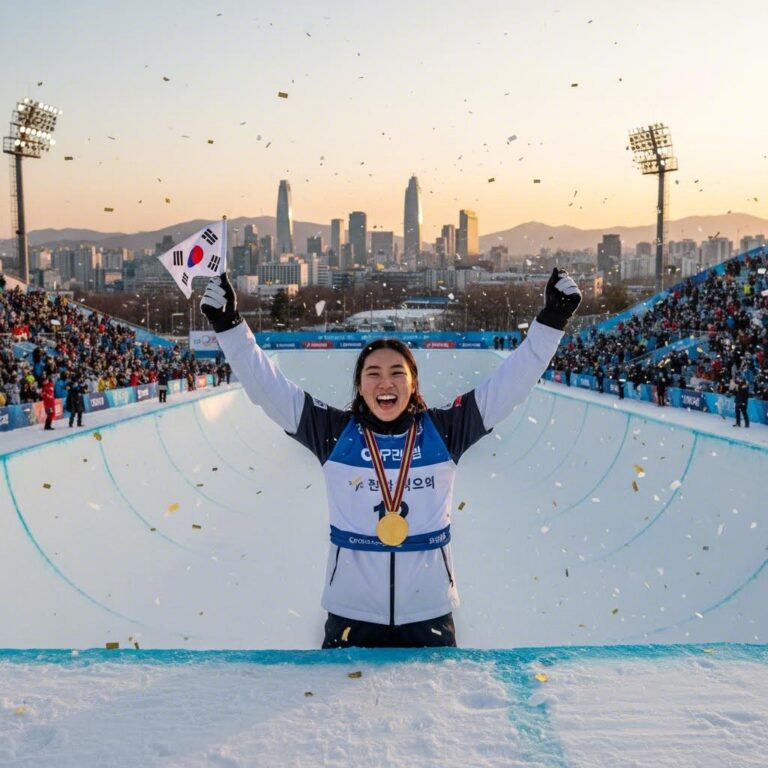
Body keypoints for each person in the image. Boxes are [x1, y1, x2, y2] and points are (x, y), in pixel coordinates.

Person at [201, 268, 581, 648]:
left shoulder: (444, 430)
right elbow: (267, 387)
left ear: (413, 383)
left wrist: (552, 320)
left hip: (429, 615)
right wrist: (229, 325)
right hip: (351, 617)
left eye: (397, 372)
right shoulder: (333, 433)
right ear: (360, 385)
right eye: (373, 373)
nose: (386, 382)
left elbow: (511, 383)